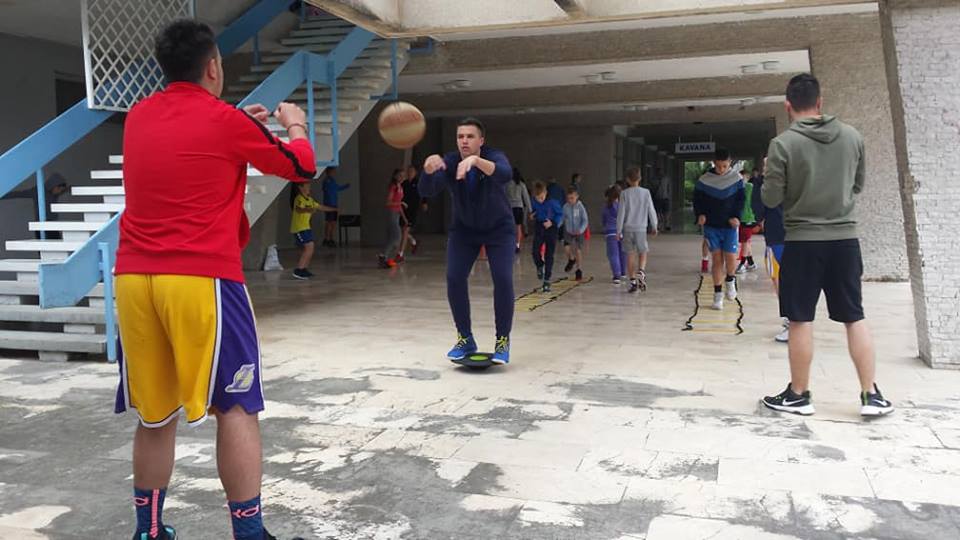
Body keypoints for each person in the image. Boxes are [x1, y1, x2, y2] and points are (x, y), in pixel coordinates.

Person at [114, 19, 312, 540]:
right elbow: (301, 167)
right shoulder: (224, 120)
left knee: (155, 414)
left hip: (134, 279)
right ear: (212, 67)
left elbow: (191, 141)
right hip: (202, 280)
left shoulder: (138, 116)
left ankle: (148, 531)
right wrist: (294, 125)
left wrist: (238, 122)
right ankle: (250, 534)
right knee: (237, 406)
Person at [760, 73, 893, 417]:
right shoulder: (852, 137)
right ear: (820, 102)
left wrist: (771, 176)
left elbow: (770, 198)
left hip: (802, 242)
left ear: (788, 106)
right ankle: (871, 395)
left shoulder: (782, 145)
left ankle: (799, 395)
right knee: (854, 316)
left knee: (800, 319)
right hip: (845, 240)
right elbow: (857, 186)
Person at [418, 117, 515, 364]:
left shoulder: (494, 156)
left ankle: (502, 340)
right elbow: (427, 190)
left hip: (499, 230)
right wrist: (428, 171)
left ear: (481, 140)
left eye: (470, 136)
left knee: (503, 278)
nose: (464, 141)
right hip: (464, 230)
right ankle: (465, 338)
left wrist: (476, 161)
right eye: (460, 136)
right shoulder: (451, 161)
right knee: (454, 277)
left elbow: (505, 174)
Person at [694, 148, 745, 310]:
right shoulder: (704, 180)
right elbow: (697, 200)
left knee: (730, 257)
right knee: (717, 259)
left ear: (729, 163)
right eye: (718, 166)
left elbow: (741, 201)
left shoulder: (736, 179)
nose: (721, 169)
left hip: (730, 226)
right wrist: (700, 214)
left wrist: (737, 216)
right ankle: (717, 295)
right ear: (714, 163)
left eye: (725, 166)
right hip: (711, 225)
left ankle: (730, 279)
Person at [616, 167, 658, 293]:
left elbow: (621, 213)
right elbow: (651, 210)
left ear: (627, 180)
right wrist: (654, 225)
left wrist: (618, 230)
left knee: (630, 254)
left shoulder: (624, 194)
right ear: (640, 178)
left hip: (628, 229)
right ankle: (641, 270)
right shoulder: (646, 192)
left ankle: (633, 282)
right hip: (641, 228)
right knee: (643, 251)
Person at [3, 172, 70, 239]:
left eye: (61, 190)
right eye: (59, 189)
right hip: (40, 223)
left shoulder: (56, 192)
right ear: (53, 186)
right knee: (43, 243)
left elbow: (67, 189)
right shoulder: (37, 191)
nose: (59, 192)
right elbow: (19, 194)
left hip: (52, 223)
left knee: (56, 242)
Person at [290, 182, 334, 279]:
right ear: (301, 188)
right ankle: (299, 270)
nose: (309, 187)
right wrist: (308, 210)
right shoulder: (299, 198)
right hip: (299, 228)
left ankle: (304, 269)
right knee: (309, 247)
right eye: (307, 186)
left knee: (311, 248)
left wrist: (334, 209)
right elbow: (298, 209)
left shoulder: (310, 200)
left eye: (309, 186)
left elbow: (321, 207)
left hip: (306, 227)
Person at [530, 181, 563, 293]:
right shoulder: (534, 201)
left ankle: (547, 280)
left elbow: (560, 214)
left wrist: (553, 223)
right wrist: (533, 215)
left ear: (545, 193)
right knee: (535, 250)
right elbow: (535, 211)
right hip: (540, 227)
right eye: (538, 198)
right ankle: (540, 265)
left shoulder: (553, 202)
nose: (540, 200)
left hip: (551, 227)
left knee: (549, 254)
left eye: (542, 197)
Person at [378, 169, 406, 268]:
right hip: (391, 213)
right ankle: (383, 256)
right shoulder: (393, 187)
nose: (402, 178)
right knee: (396, 237)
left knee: (391, 237)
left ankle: (384, 257)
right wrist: (400, 203)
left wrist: (404, 218)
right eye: (400, 175)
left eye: (403, 176)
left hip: (397, 214)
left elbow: (399, 205)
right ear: (395, 176)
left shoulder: (400, 187)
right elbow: (388, 202)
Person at [562, 186, 589, 281]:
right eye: (568, 198)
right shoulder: (565, 207)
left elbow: (585, 220)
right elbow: (562, 218)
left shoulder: (580, 207)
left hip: (578, 231)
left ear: (577, 197)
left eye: (572, 198)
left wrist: (581, 230)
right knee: (566, 248)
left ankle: (579, 269)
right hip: (568, 230)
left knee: (578, 250)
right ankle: (571, 259)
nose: (570, 200)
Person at [602, 185, 628, 284]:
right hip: (622, 232)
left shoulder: (606, 206)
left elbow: (604, 220)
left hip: (611, 232)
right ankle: (623, 272)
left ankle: (616, 275)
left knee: (613, 254)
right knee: (623, 253)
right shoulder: (622, 205)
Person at [736, 169, 759, 274]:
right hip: (743, 218)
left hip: (748, 218)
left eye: (742, 177)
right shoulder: (740, 188)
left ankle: (742, 264)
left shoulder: (749, 187)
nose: (740, 179)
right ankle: (751, 263)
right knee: (746, 241)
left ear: (747, 177)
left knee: (745, 241)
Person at [399, 164, 424, 259]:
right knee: (402, 230)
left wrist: (424, 202)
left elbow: (423, 193)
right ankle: (413, 241)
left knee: (406, 229)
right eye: (408, 171)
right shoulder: (404, 183)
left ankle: (400, 254)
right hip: (403, 209)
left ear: (415, 173)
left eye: (412, 171)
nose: (410, 173)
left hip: (413, 209)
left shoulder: (418, 183)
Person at [320, 166, 349, 247]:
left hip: (333, 204)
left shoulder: (332, 180)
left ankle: (330, 238)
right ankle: (327, 239)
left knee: (333, 222)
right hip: (329, 204)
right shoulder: (327, 181)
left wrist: (345, 186)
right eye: (333, 171)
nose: (334, 173)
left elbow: (337, 188)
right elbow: (329, 190)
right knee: (330, 222)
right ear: (329, 172)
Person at [506, 167, 532, 253]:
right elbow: (526, 198)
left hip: (510, 207)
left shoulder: (507, 184)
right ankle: (517, 245)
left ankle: (510, 244)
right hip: (519, 208)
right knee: (518, 227)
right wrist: (530, 210)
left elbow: (504, 196)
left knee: (510, 227)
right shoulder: (521, 184)